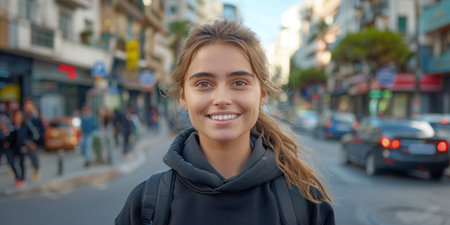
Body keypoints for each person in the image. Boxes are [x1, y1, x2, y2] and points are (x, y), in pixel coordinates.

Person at [115, 19, 334, 225]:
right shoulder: (144, 205)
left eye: (239, 82)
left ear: (262, 95)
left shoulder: (306, 204)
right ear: (183, 96)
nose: (221, 99)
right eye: (203, 83)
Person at [9, 110, 34, 187]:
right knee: (11, 162)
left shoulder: (25, 126)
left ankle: (22, 179)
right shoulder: (12, 126)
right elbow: (10, 137)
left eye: (20, 116)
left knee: (21, 163)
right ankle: (17, 178)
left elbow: (32, 135)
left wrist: (27, 143)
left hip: (22, 148)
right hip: (13, 148)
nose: (18, 117)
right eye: (17, 115)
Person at [23, 98, 45, 181]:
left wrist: (35, 142)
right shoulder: (22, 117)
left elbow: (41, 131)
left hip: (35, 141)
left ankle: (37, 169)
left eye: (30, 105)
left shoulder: (37, 117)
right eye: (26, 105)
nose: (28, 107)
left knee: (33, 155)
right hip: (25, 141)